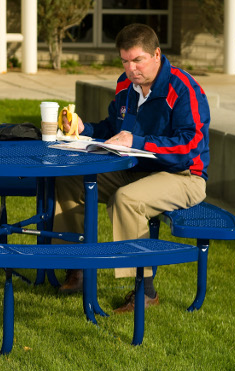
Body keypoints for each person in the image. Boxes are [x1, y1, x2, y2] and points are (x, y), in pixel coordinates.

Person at [53, 23, 210, 314]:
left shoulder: (184, 88)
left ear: (157, 55)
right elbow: (113, 129)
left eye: (137, 60)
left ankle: (144, 290)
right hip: (135, 168)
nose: (131, 68)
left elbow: (189, 147)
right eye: (125, 61)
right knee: (69, 178)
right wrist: (82, 128)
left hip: (184, 175)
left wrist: (138, 141)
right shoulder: (125, 86)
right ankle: (76, 265)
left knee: (127, 199)